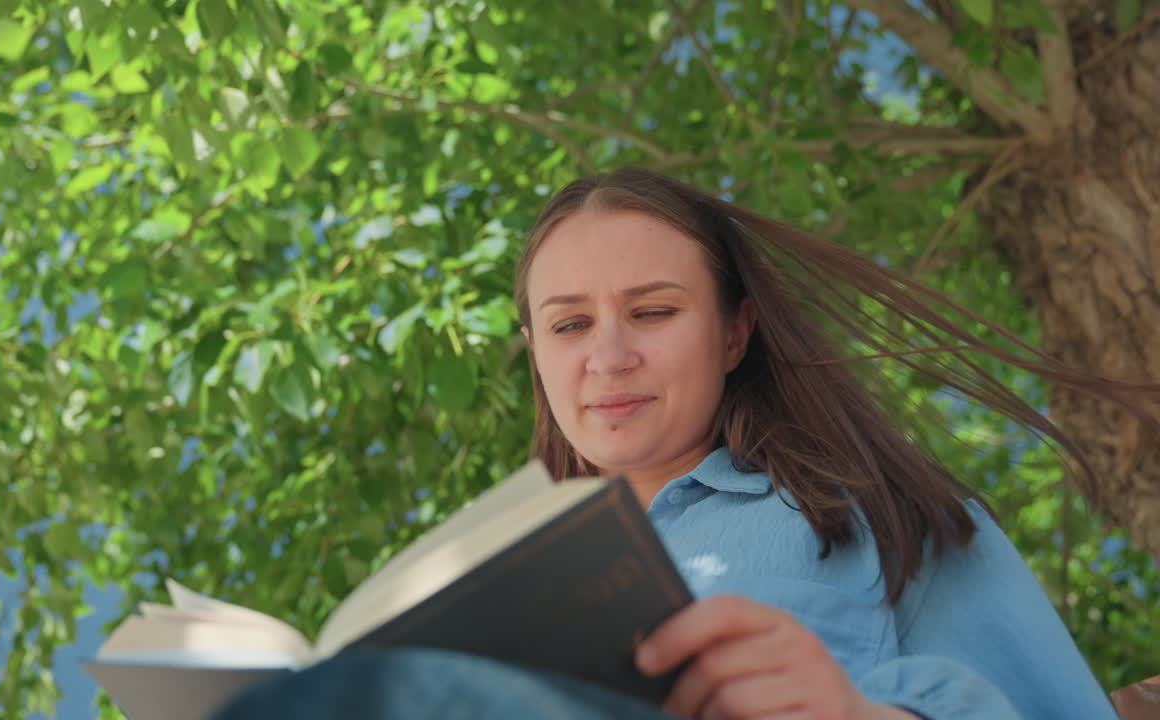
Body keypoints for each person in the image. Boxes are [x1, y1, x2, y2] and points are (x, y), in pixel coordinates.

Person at [216, 168, 1150, 719]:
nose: (609, 358)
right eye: (569, 326)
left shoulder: (888, 518)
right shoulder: (493, 566)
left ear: (735, 333)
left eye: (653, 312)